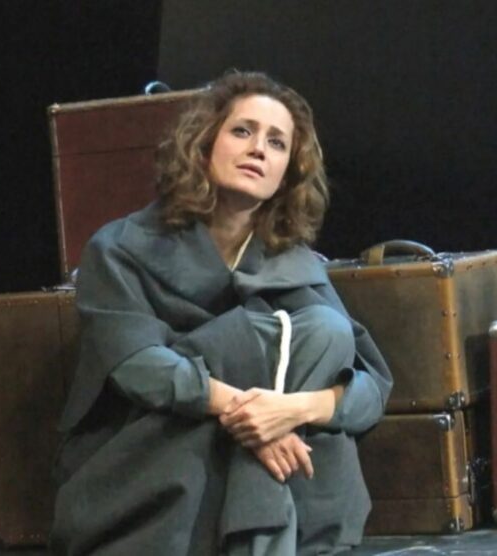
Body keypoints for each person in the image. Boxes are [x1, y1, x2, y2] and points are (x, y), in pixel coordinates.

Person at [50, 71, 392, 556]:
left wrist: (290, 412)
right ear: (204, 142)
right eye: (242, 131)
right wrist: (249, 417)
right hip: (153, 463)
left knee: (325, 330)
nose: (258, 149)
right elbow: (139, 367)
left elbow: (370, 388)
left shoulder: (294, 263)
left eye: (276, 142)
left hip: (268, 480)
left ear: (287, 171)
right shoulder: (120, 247)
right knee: (270, 336)